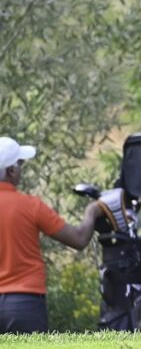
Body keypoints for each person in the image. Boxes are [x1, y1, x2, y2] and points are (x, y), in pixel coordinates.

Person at [1, 136, 102, 334]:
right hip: (24, 304)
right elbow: (79, 239)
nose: (21, 170)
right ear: (11, 171)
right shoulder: (31, 206)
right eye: (20, 164)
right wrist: (92, 211)